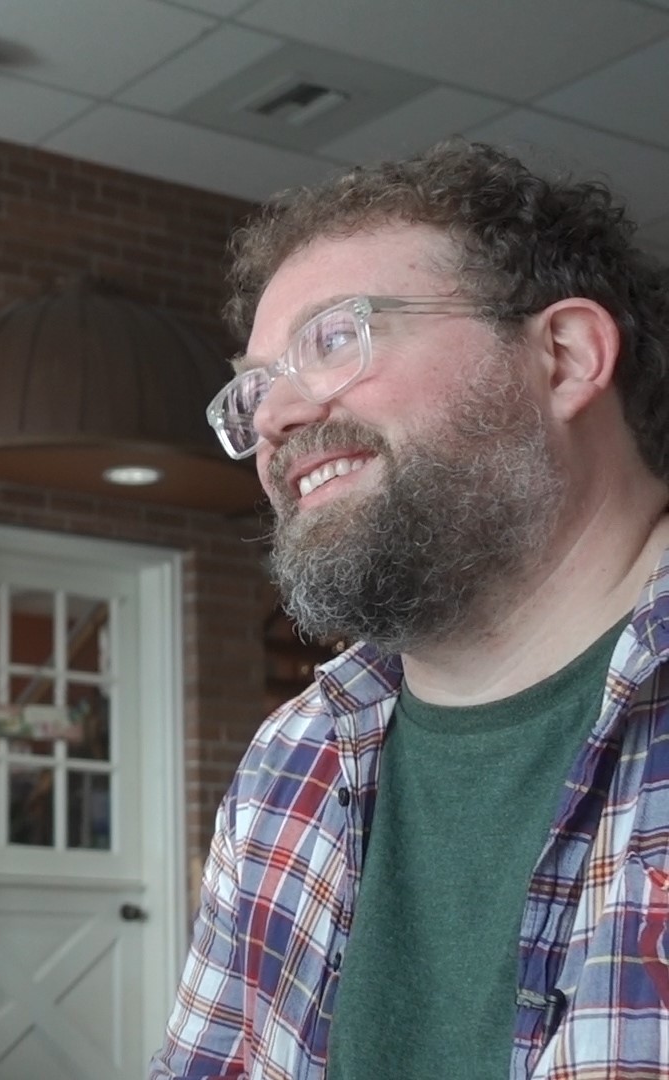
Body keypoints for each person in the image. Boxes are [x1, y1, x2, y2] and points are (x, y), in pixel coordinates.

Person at [152, 140, 669, 1079]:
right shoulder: (291, 765)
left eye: (335, 339)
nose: (271, 418)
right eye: (255, 388)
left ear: (564, 356)